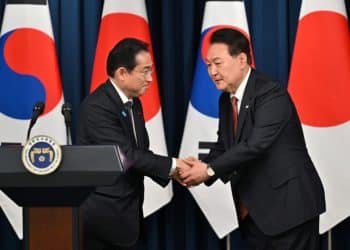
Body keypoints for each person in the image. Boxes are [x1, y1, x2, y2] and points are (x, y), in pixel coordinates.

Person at [178, 28, 325, 249]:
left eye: (218, 63)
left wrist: (208, 171)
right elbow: (224, 144)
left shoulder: (270, 92)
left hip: (290, 210)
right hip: (254, 213)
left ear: (242, 59)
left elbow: (255, 145)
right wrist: (199, 168)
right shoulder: (226, 100)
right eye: (208, 65)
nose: (212, 71)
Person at [76, 38, 187, 250]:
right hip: (104, 218)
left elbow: (139, 151)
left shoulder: (133, 101)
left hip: (128, 213)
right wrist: (173, 166)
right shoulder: (97, 107)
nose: (151, 79)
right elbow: (126, 155)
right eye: (145, 71)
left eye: (151, 71)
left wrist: (173, 171)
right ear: (122, 73)